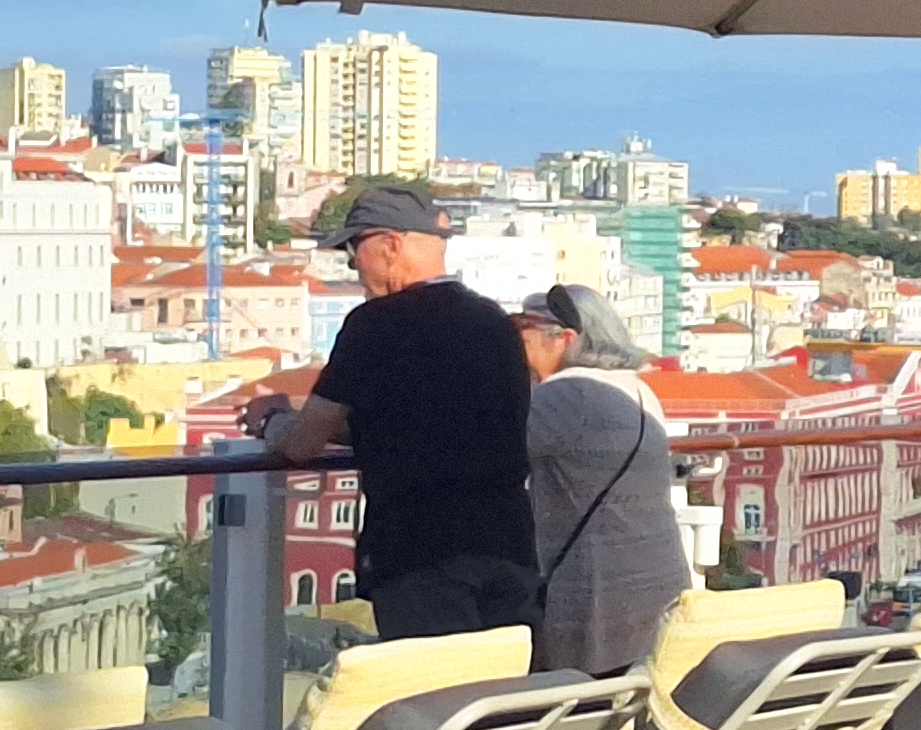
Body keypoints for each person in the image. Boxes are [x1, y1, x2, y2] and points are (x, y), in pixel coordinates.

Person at [236, 186, 542, 641]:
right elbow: (430, 423)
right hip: (507, 542)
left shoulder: (375, 325)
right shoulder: (493, 322)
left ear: (391, 245)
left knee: (431, 680)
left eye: (353, 249)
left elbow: (302, 445)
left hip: (419, 553)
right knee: (505, 676)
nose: (352, 265)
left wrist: (271, 421)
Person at [514, 281, 694, 678]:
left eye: (522, 327)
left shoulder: (565, 395)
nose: (513, 340)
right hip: (656, 586)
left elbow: (486, 453)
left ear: (563, 339)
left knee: (579, 700)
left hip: (597, 597)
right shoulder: (638, 390)